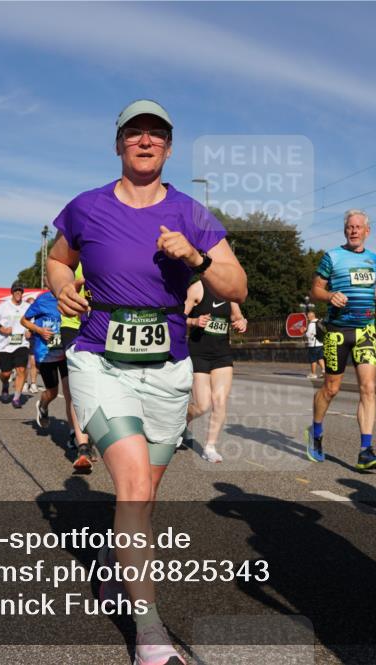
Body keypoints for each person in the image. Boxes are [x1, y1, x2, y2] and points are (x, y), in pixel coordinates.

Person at [47, 99, 246, 665]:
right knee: (133, 486)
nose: (145, 141)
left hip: (168, 369)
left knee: (146, 494)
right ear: (118, 144)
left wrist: (198, 260)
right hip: (98, 360)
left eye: (156, 134)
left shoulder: (191, 212)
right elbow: (57, 258)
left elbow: (239, 286)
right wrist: (62, 282)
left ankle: (116, 571)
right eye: (134, 132)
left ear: (169, 147)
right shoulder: (86, 207)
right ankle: (151, 638)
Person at [306, 209, 376, 470]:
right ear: (346, 231)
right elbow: (315, 289)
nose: (354, 230)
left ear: (367, 231)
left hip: (365, 331)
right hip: (336, 332)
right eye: (350, 227)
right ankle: (316, 432)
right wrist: (330, 295)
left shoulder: (375, 260)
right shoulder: (332, 256)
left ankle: (366, 450)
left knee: (368, 388)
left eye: (358, 227)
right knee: (331, 388)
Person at [21, 291, 97, 470]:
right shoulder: (42, 300)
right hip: (45, 353)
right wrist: (39, 330)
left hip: (65, 352)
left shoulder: (72, 294)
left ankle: (73, 434)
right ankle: (43, 405)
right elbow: (24, 321)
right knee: (52, 392)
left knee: (70, 392)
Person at [184, 278, 247, 463]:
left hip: (222, 355)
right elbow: (179, 317)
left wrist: (242, 322)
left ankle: (210, 447)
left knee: (219, 401)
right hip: (199, 353)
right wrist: (194, 321)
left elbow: (237, 316)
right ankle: (182, 420)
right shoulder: (197, 288)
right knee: (202, 406)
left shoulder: (229, 291)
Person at [59, 263, 89, 450]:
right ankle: (82, 444)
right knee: (76, 385)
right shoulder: (72, 259)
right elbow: (53, 274)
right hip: (72, 325)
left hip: (97, 324)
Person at [0, 283, 31, 408]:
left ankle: (17, 398)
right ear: (12, 292)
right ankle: (5, 385)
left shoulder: (28, 307)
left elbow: (33, 322)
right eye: (16, 290)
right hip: (5, 344)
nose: (18, 292)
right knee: (6, 374)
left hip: (21, 343)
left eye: (20, 290)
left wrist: (30, 331)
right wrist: (2, 329)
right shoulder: (4, 306)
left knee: (21, 370)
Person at [304, 310, 325, 379]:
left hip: (313, 344)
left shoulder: (311, 324)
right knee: (320, 358)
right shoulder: (319, 322)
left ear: (311, 316)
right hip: (320, 343)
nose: (307, 318)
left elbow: (309, 335)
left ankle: (313, 374)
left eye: (308, 317)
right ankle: (324, 372)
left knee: (313, 360)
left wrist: (304, 331)